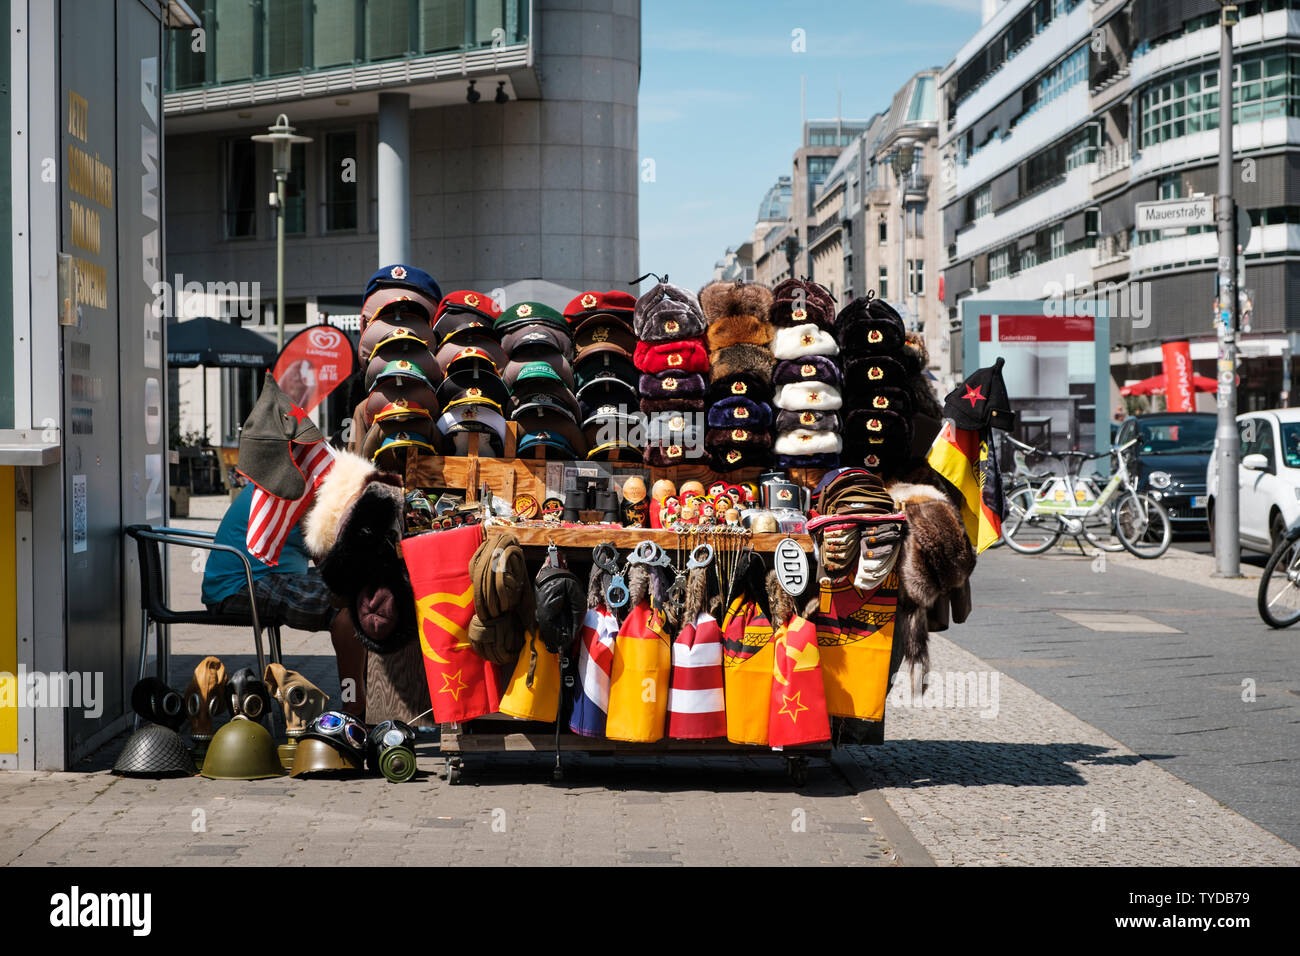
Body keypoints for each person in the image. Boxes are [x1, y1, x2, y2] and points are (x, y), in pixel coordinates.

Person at [201, 483, 366, 718]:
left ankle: (364, 695)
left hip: (262, 576)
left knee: (363, 596)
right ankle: (354, 705)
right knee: (348, 609)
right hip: (240, 584)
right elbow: (328, 559)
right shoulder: (298, 487)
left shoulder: (286, 477)